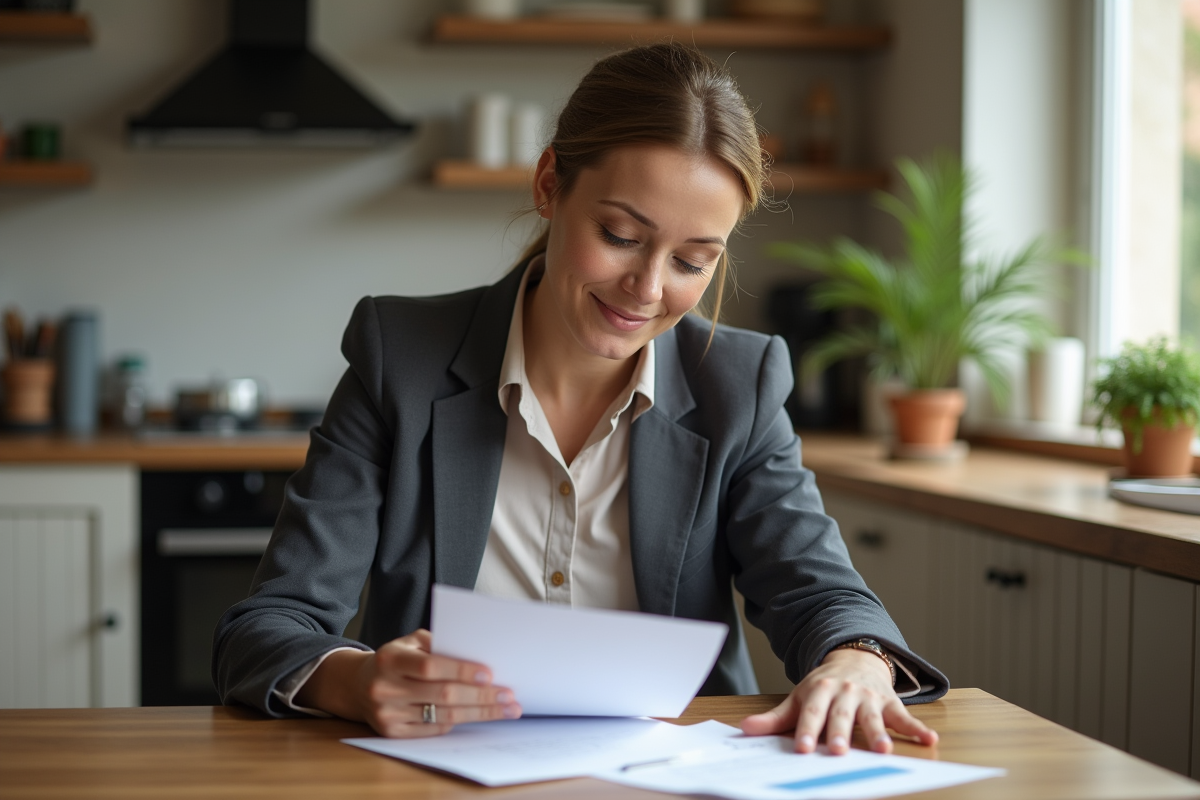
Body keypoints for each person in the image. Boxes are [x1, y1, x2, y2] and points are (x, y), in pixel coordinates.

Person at [213, 42, 948, 756]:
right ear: (547, 186)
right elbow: (269, 625)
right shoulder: (400, 357)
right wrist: (358, 680)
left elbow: (821, 594)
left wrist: (857, 660)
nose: (650, 289)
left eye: (694, 260)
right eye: (620, 235)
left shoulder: (739, 384)